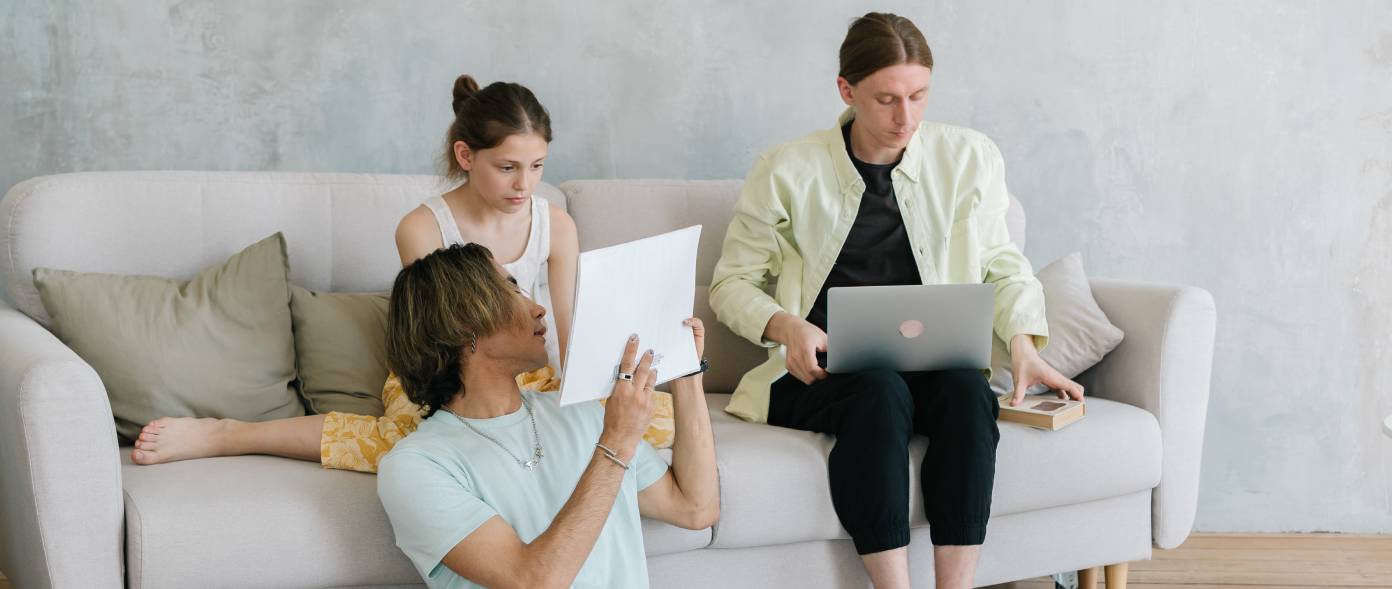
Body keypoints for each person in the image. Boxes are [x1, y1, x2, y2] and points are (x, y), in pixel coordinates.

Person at [129, 76, 679, 472]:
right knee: (415, 442)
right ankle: (231, 434)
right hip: (453, 366)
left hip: (530, 362)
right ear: (466, 156)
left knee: (651, 419)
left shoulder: (554, 224)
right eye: (507, 167)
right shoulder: (422, 227)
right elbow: (449, 339)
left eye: (537, 167)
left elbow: (566, 327)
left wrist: (584, 396)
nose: (524, 185)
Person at [708, 12, 1084, 589]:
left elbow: (1004, 265)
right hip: (818, 372)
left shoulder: (969, 156)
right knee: (879, 391)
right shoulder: (786, 168)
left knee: (966, 393)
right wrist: (785, 325)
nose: (904, 117)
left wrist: (1023, 344)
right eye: (886, 99)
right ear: (846, 90)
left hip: (930, 367)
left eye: (918, 96)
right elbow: (730, 284)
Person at [378, 243, 718, 588]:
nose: (539, 309)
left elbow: (695, 508)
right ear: (464, 322)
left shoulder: (577, 411)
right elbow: (534, 582)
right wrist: (616, 442)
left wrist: (688, 374)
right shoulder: (415, 466)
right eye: (510, 288)